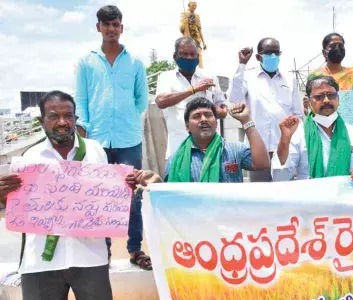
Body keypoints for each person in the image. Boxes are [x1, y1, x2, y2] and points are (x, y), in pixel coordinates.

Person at [0, 91, 137, 300]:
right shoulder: (29, 158)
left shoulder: (95, 151)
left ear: (75, 119)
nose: (62, 122)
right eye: (54, 116)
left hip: (90, 255)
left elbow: (107, 197)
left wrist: (125, 187)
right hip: (40, 261)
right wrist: (3, 196)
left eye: (69, 116)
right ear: (42, 121)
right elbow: (20, 209)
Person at [74, 5, 151, 270]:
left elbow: (142, 101)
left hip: (129, 138)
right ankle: (103, 251)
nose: (111, 29)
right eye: (106, 24)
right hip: (96, 141)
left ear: (121, 26)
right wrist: (84, 126)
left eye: (115, 24)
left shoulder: (135, 63)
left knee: (133, 195)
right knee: (100, 195)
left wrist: (126, 116)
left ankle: (135, 249)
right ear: (98, 27)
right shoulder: (86, 62)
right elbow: (81, 99)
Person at [138, 98, 269, 183]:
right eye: (196, 116)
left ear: (216, 123)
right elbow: (171, 198)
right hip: (196, 223)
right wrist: (154, 183)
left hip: (231, 220)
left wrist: (246, 121)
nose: (203, 119)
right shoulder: (174, 161)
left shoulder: (234, 150)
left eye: (208, 115)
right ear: (187, 126)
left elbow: (262, 163)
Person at [227, 37, 303, 182]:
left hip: (285, 148)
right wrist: (242, 64)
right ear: (258, 57)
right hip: (258, 151)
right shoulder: (248, 76)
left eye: (276, 53)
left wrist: (297, 145)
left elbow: (298, 114)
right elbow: (235, 97)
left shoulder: (290, 78)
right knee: (260, 194)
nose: (273, 57)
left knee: (285, 194)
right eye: (268, 53)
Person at [272, 74, 353, 181]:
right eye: (319, 97)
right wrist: (285, 139)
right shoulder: (298, 133)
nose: (326, 100)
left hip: (346, 196)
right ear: (309, 101)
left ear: (338, 98)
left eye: (331, 95)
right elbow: (279, 177)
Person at [156, 37, 228, 158]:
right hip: (179, 147)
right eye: (184, 54)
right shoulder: (166, 77)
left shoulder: (210, 77)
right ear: (175, 57)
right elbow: (161, 101)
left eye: (192, 54)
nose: (189, 58)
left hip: (210, 149)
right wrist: (194, 89)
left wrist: (222, 111)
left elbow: (222, 106)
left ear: (197, 56)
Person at [179, 1, 207, 68]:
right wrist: (184, 22)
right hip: (187, 39)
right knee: (188, 56)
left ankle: (201, 71)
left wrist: (203, 42)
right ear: (189, 5)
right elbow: (181, 29)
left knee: (199, 55)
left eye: (195, 6)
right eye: (193, 5)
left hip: (196, 39)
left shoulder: (197, 15)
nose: (194, 7)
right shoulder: (184, 13)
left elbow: (199, 29)